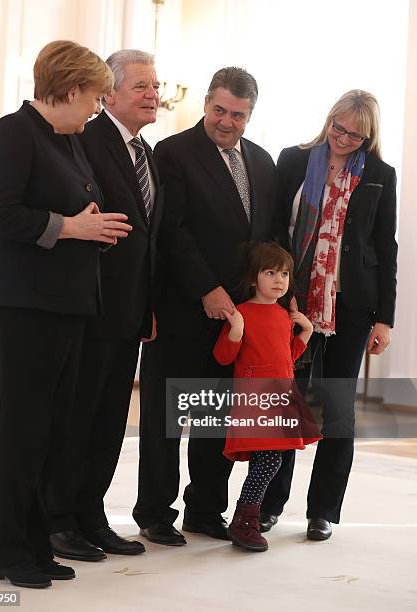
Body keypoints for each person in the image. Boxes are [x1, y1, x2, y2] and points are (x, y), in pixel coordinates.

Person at [0, 40, 132, 588]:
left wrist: (92, 227)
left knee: (50, 430)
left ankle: (33, 545)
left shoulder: (70, 139)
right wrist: (71, 227)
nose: (96, 108)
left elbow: (73, 211)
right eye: (92, 97)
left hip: (62, 304)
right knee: (24, 429)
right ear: (66, 90)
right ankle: (6, 552)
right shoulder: (14, 132)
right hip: (19, 306)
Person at [133, 67, 277, 545]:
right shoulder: (172, 153)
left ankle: (205, 509)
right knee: (167, 419)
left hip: (235, 321)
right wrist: (207, 288)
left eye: (238, 114)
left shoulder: (261, 161)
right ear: (206, 104)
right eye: (219, 110)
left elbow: (264, 239)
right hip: (182, 308)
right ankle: (155, 513)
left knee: (215, 419)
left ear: (250, 114)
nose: (226, 121)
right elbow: (171, 231)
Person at [261, 89, 398, 541]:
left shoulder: (380, 174)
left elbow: (385, 247)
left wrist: (385, 318)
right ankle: (269, 504)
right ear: (329, 120)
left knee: (338, 409)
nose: (343, 139)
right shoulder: (294, 161)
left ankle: (323, 509)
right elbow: (273, 228)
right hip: (292, 300)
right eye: (338, 128)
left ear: (368, 136)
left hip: (352, 305)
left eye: (355, 135)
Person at [48, 50, 163, 560]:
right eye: (140, 86)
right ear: (108, 94)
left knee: (112, 419)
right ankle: (60, 520)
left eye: (156, 85)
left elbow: (148, 238)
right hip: (89, 307)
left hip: (129, 311)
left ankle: (92, 516)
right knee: (78, 417)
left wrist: (148, 305)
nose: (153, 94)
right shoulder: (86, 141)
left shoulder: (147, 152)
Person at [213, 242, 320, 551]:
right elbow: (223, 356)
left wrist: (306, 333)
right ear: (252, 279)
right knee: (270, 459)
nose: (279, 280)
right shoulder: (242, 313)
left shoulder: (283, 315)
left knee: (269, 459)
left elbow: (286, 358)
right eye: (270, 273)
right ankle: (244, 520)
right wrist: (236, 331)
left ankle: (247, 519)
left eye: (284, 274)